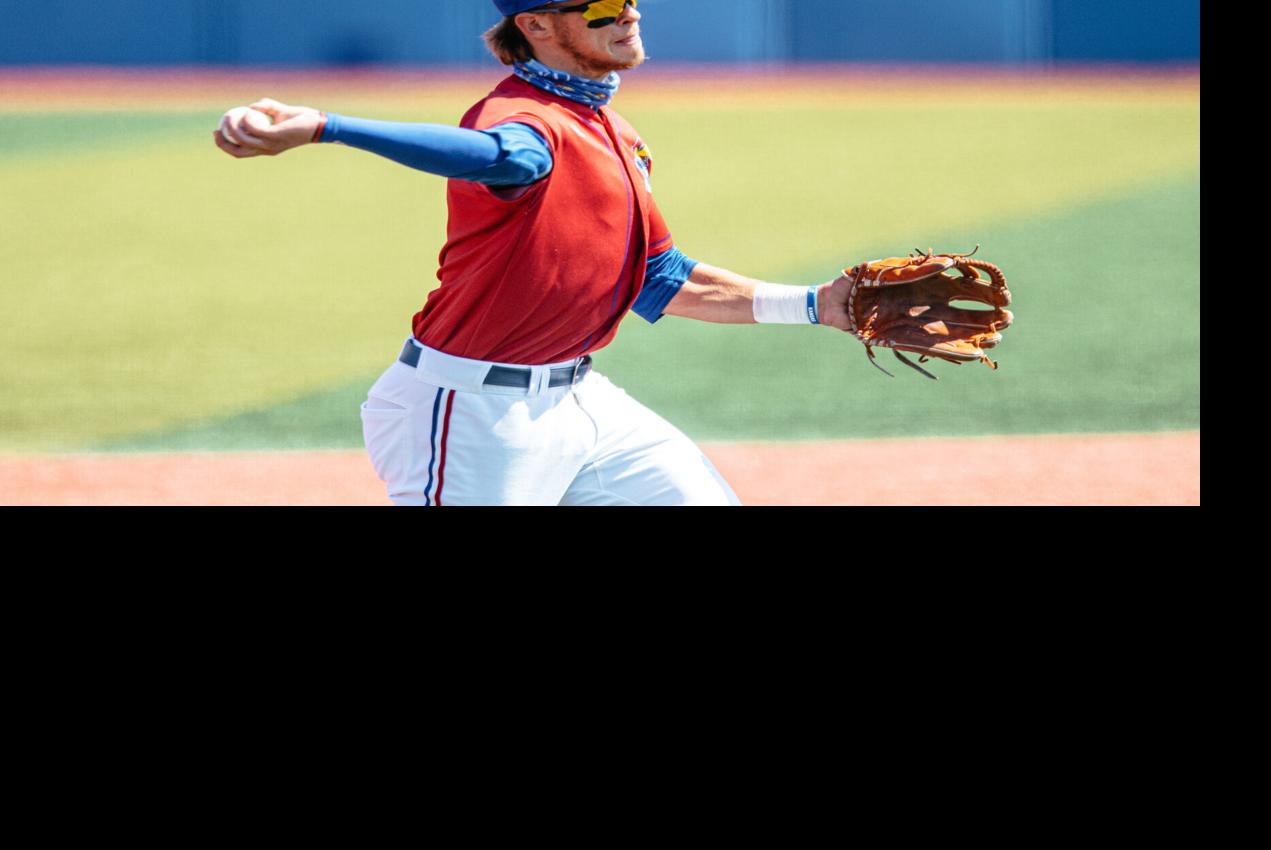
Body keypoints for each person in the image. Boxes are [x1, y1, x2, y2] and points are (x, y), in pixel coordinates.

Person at [213, 0, 855, 506]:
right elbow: (501, 157)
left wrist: (816, 305)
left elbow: (659, 278)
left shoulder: (612, 129)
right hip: (472, 417)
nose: (628, 13)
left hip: (583, 401)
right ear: (539, 25)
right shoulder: (524, 120)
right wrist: (329, 127)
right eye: (602, 5)